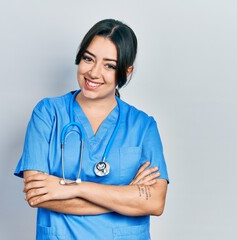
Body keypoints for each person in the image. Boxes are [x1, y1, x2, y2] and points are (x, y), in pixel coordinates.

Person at [14, 19, 169, 240]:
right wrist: (125, 197)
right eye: (88, 59)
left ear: (126, 71)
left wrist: (76, 188)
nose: (94, 73)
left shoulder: (143, 126)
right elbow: (37, 195)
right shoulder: (48, 113)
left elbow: (155, 202)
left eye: (109, 65)